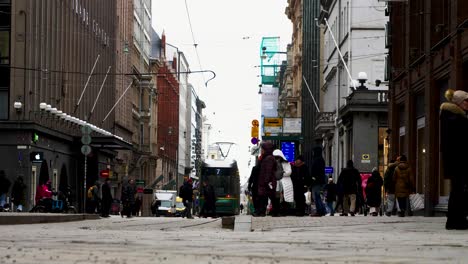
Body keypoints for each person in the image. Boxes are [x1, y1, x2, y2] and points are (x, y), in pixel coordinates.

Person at [440, 89, 468, 229]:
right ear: (459, 103)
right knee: (458, 190)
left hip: (455, 161)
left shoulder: (451, 116)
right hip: (458, 161)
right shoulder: (455, 118)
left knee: (457, 190)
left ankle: (455, 220)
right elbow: (460, 141)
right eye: (466, 101)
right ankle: (457, 220)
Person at [256, 141, 277, 217]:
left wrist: (266, 181)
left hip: (268, 181)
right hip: (266, 181)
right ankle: (266, 212)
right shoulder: (266, 158)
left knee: (267, 197)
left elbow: (268, 171)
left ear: (267, 149)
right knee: (267, 196)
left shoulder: (269, 158)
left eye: (262, 149)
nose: (261, 151)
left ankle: (264, 212)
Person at [273, 149, 294, 216]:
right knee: (277, 197)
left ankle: (285, 211)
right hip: (277, 182)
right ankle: (277, 211)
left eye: (277, 157)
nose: (277, 159)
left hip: (285, 182)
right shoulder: (274, 163)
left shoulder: (286, 163)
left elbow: (289, 172)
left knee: (285, 197)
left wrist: (281, 174)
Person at [310, 147, 327, 217]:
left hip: (317, 181)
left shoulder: (317, 160)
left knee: (316, 196)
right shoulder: (321, 160)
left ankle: (319, 211)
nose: (313, 153)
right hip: (321, 180)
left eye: (313, 151)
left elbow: (315, 171)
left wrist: (313, 177)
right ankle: (322, 210)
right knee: (318, 196)